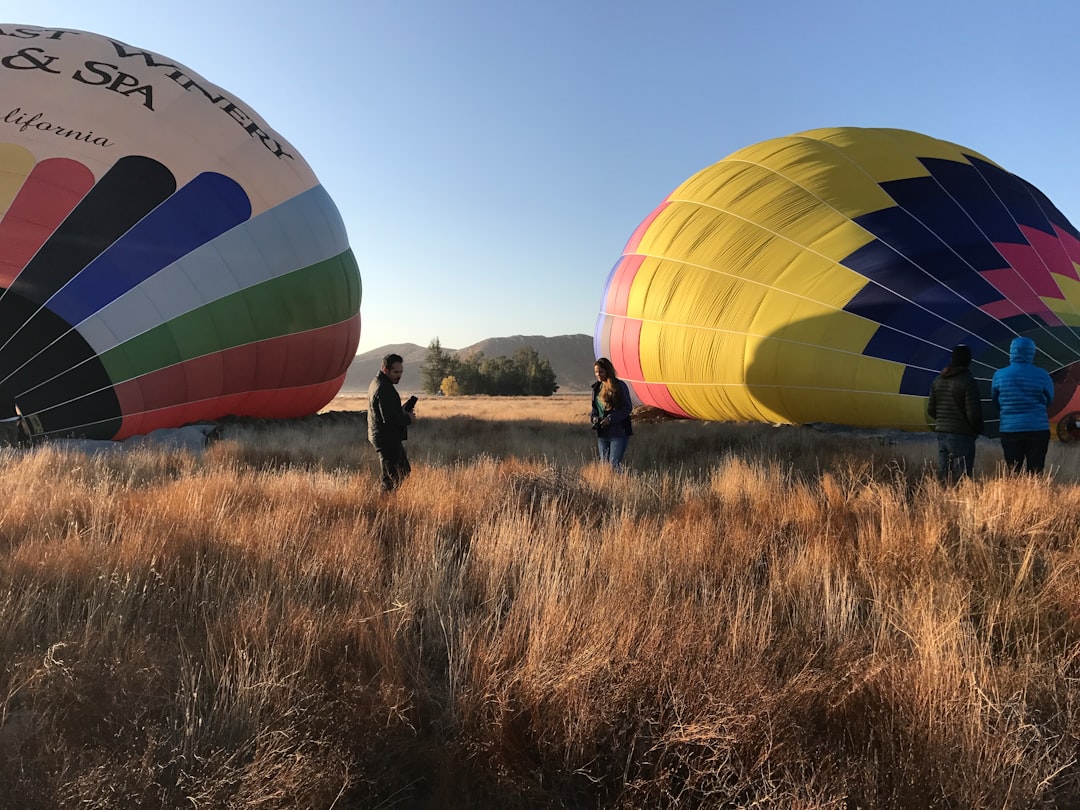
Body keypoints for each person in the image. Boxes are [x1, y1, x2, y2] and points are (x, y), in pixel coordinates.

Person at [991, 336, 1055, 474]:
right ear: (1032, 352)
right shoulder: (1042, 375)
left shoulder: (999, 375)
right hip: (1037, 428)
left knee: (1014, 470)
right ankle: (1034, 494)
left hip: (1010, 429)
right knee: (1036, 470)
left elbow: (995, 401)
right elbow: (1049, 399)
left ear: (1011, 352)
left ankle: (1017, 494)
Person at [927, 344, 984, 483]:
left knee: (943, 474)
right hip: (962, 435)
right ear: (968, 360)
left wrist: (943, 420)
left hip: (942, 433)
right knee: (961, 476)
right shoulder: (967, 381)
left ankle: (942, 501)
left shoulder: (937, 380)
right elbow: (973, 413)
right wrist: (978, 429)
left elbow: (931, 410)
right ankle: (959, 502)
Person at [367, 353, 415, 491]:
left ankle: (386, 505)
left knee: (402, 471)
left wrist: (401, 410)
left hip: (385, 437)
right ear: (385, 369)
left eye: (401, 372)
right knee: (392, 479)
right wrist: (408, 418)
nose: (399, 375)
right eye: (395, 372)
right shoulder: (383, 388)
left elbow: (386, 413)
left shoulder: (379, 383)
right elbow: (389, 419)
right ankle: (383, 508)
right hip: (386, 438)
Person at [590, 357, 633, 470]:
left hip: (619, 432)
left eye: (601, 372)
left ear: (608, 371)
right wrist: (594, 418)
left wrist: (610, 419)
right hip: (602, 433)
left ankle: (624, 484)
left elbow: (627, 408)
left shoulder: (620, 386)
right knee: (605, 466)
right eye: (596, 372)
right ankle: (609, 487)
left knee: (614, 466)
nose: (598, 374)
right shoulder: (596, 388)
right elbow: (595, 408)